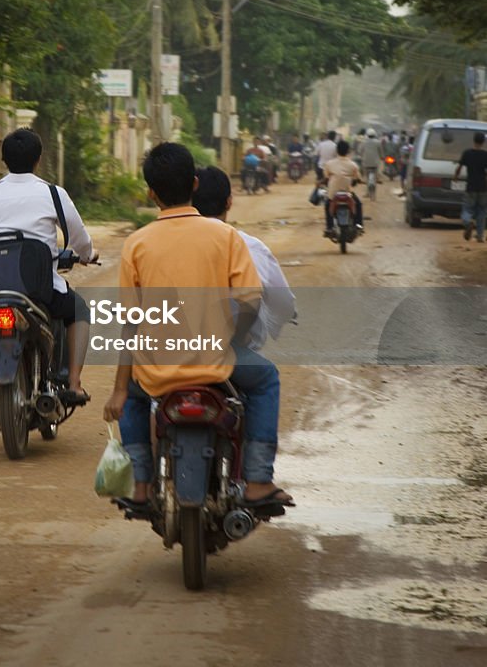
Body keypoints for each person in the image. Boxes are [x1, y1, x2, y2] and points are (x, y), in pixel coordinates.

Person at [103, 142, 294, 514]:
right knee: (266, 377)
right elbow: (250, 300)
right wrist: (231, 341)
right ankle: (257, 480)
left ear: (151, 193)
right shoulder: (226, 237)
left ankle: (141, 486)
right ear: (193, 184)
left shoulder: (136, 244)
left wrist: (118, 389)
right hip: (216, 360)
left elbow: (131, 321)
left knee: (131, 398)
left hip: (155, 367)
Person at [0, 128, 98, 393]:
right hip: (40, 290)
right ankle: (73, 382)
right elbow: (79, 237)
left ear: (4, 161)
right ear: (38, 160)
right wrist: (88, 255)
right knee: (80, 310)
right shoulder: (52, 194)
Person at [192, 166, 297, 351]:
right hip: (239, 356)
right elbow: (282, 302)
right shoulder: (252, 247)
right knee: (269, 378)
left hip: (180, 356)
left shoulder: (163, 245)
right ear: (229, 203)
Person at [323, 139, 363, 236]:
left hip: (333, 194)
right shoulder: (353, 165)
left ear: (337, 151)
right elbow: (358, 178)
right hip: (348, 192)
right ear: (348, 151)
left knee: (327, 205)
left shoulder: (329, 164)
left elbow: (326, 177)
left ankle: (329, 227)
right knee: (358, 204)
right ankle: (358, 225)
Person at [454, 131, 487, 242]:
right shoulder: (485, 155)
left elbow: (459, 167)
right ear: (483, 142)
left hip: (471, 187)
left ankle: (468, 222)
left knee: (467, 209)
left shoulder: (467, 153)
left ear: (474, 140)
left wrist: (456, 177)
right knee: (482, 211)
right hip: (483, 188)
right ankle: (480, 236)